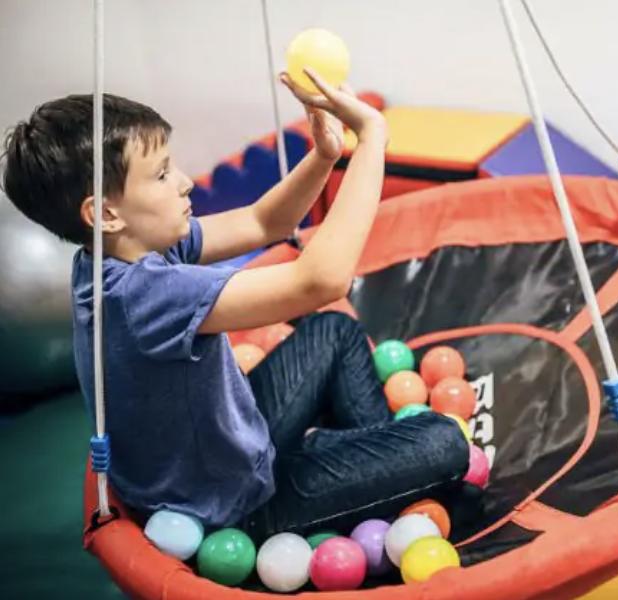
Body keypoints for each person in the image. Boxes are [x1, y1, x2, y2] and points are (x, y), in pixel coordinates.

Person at [0, 69, 471, 542]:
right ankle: (359, 464)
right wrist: (371, 141)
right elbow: (322, 279)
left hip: (236, 438)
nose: (184, 182)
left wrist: (326, 155)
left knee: (335, 332)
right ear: (104, 213)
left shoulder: (117, 252)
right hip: (236, 502)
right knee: (445, 444)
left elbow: (264, 220)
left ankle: (368, 466)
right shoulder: (141, 296)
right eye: (162, 174)